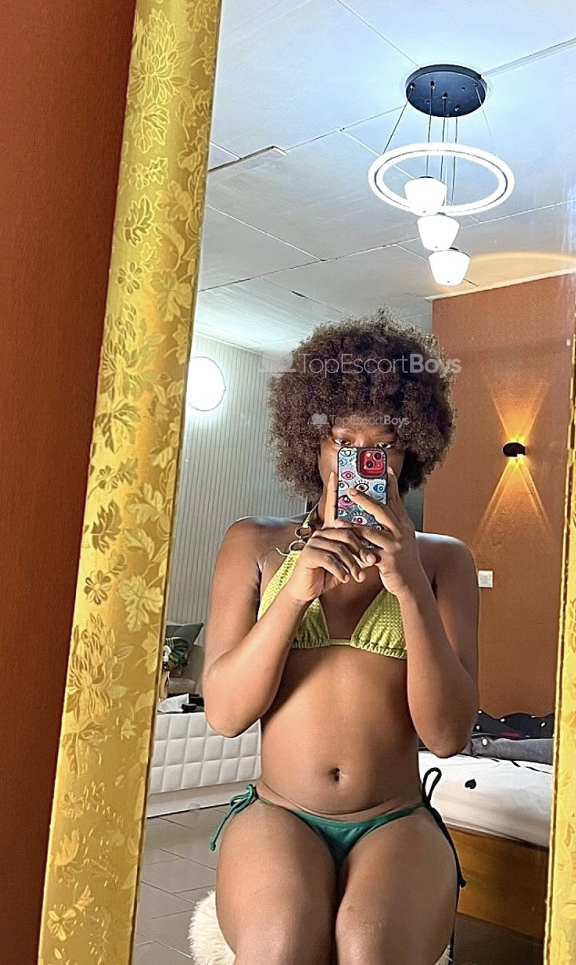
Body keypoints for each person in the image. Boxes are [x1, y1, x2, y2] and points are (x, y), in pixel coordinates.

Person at [201, 311, 479, 965]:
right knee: (281, 941)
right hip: (279, 812)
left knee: (368, 946)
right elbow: (225, 715)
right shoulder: (253, 544)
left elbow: (447, 736)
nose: (360, 461)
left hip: (395, 818)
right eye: (343, 440)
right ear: (314, 445)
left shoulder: (444, 562)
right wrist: (295, 592)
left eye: (383, 445)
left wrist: (409, 586)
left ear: (409, 455)